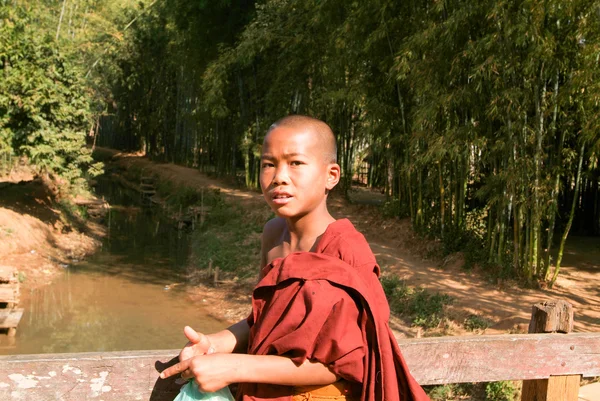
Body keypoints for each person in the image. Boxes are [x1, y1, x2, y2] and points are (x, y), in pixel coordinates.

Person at [160, 115, 429, 401]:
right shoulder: (273, 235)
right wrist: (215, 343)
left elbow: (344, 363)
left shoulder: (347, 250)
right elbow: (265, 321)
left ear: (331, 176)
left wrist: (236, 367)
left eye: (296, 163)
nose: (279, 177)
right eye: (268, 164)